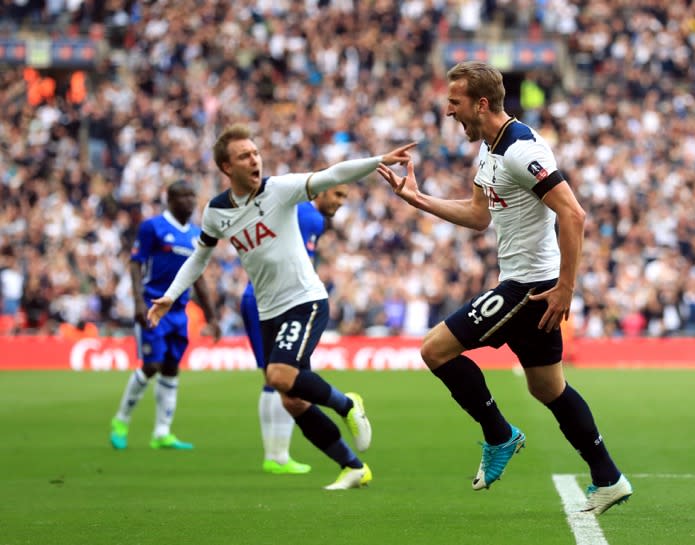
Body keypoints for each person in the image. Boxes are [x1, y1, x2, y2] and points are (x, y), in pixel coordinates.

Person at [377, 61, 632, 514]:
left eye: (454, 102)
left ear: (480, 103)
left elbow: (573, 214)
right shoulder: (490, 148)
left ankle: (499, 435)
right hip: (526, 282)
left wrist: (566, 287)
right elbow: (479, 217)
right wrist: (418, 200)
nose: (448, 111)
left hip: (530, 287)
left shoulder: (520, 149)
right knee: (548, 389)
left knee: (435, 349)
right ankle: (608, 477)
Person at [147, 124, 415, 489]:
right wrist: (172, 294)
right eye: (245, 156)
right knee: (291, 400)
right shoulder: (216, 212)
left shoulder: (280, 190)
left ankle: (347, 405)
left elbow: (333, 174)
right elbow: (199, 256)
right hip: (268, 312)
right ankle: (353, 467)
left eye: (256, 153)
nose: (255, 159)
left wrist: (378, 161)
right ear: (227, 168)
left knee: (278, 377)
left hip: (305, 302)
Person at [241, 184, 349, 475]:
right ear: (320, 191)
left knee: (274, 378)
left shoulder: (303, 214)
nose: (340, 203)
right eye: (337, 195)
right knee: (287, 378)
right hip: (279, 302)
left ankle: (275, 455)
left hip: (258, 298)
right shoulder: (307, 215)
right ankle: (280, 455)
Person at [110, 180, 221, 451]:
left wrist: (211, 317)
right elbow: (136, 264)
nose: (189, 201)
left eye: (192, 196)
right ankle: (121, 420)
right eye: (183, 196)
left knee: (171, 367)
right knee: (151, 365)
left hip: (179, 311)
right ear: (170, 200)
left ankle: (162, 432)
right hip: (152, 305)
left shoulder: (197, 234)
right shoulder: (153, 227)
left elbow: (199, 280)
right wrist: (137, 302)